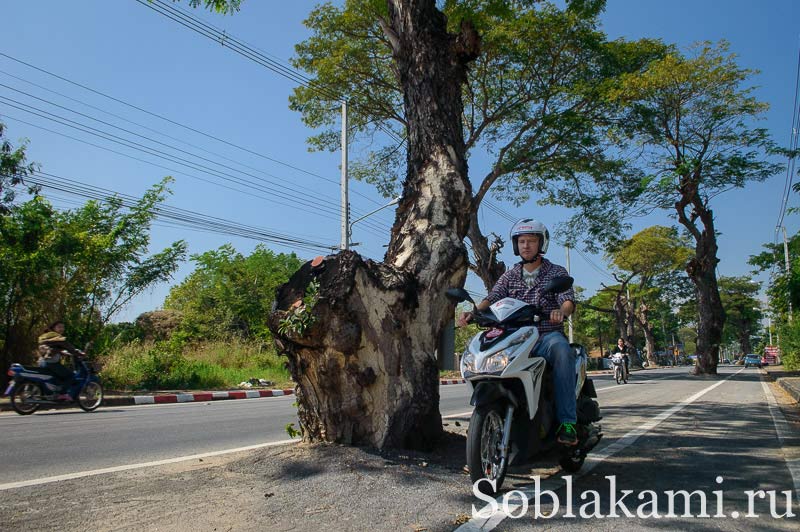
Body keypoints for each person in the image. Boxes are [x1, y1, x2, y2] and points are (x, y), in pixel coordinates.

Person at [457, 219, 578, 446]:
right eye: (521, 241)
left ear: (541, 244)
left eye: (531, 241)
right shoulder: (510, 275)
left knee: (562, 351)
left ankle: (568, 423)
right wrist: (472, 313)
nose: (526, 245)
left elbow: (567, 300)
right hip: (514, 336)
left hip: (544, 335)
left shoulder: (556, 272)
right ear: (516, 246)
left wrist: (561, 312)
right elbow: (492, 298)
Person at [37, 321, 84, 400]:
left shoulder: (46, 336)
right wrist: (80, 353)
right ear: (54, 328)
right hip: (51, 363)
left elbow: (52, 348)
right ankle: (62, 393)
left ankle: (53, 392)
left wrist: (62, 352)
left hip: (42, 362)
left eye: (63, 327)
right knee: (71, 375)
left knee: (58, 377)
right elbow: (69, 347)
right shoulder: (57, 337)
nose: (62, 329)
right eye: (59, 327)